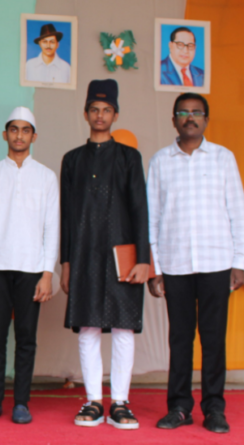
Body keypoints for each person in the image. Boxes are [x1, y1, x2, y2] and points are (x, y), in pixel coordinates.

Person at [147, 93, 242, 434]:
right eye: (183, 112)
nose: (190, 117)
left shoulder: (223, 158)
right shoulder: (160, 161)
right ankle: (179, 407)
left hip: (217, 261)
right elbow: (152, 218)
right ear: (174, 120)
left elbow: (238, 212)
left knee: (213, 339)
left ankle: (214, 409)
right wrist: (155, 268)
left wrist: (239, 262)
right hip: (175, 264)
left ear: (206, 119)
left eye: (197, 112)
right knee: (180, 339)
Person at [60, 79, 150, 430]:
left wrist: (143, 259)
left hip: (122, 254)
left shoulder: (129, 158)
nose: (100, 115)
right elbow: (67, 217)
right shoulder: (72, 160)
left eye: (106, 110)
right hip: (83, 254)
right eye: (94, 110)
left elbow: (140, 210)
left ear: (115, 114)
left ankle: (121, 403)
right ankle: (94, 401)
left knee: (124, 327)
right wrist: (66, 263)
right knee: (88, 327)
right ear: (85, 114)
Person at [0, 107, 58, 425]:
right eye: (14, 129)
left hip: (32, 268)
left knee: (26, 338)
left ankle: (21, 403)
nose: (19, 135)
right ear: (5, 134)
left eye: (25, 130)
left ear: (33, 136)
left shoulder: (46, 177)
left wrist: (47, 273)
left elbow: (52, 228)